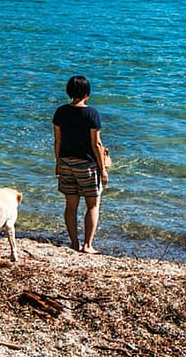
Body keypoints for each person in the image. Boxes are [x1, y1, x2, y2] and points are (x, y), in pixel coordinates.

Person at [53, 75, 108, 253]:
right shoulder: (91, 113)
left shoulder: (60, 112)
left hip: (66, 162)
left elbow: (57, 141)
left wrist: (57, 163)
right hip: (87, 165)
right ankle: (88, 245)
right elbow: (96, 144)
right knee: (92, 205)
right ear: (87, 93)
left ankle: (74, 243)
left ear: (69, 92)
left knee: (71, 205)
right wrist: (103, 169)